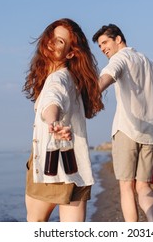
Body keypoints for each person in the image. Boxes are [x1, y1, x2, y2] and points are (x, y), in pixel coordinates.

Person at [22, 18, 104, 222]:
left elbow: (53, 100)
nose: (51, 42)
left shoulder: (58, 78)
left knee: (36, 222)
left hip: (49, 164)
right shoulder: (71, 79)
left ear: (70, 53)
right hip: (74, 163)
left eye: (60, 41)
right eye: (51, 37)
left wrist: (53, 122)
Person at [92, 24, 153, 222]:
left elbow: (107, 76)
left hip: (126, 130)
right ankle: (151, 222)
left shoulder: (120, 58)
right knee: (144, 185)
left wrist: (92, 93)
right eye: (100, 46)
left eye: (105, 42)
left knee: (126, 186)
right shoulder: (148, 63)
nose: (103, 48)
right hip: (151, 134)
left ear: (118, 39)